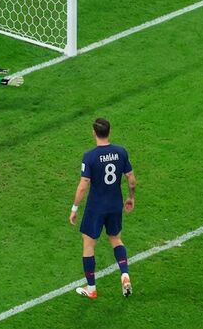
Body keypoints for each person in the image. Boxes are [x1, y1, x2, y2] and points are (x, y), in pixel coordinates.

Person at [68, 118, 136, 299]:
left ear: (94, 132)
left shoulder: (89, 156)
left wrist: (74, 208)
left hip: (96, 207)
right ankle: (124, 274)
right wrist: (130, 197)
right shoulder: (121, 152)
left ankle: (91, 289)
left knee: (88, 244)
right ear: (109, 131)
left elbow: (83, 185)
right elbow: (131, 179)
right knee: (115, 239)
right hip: (115, 204)